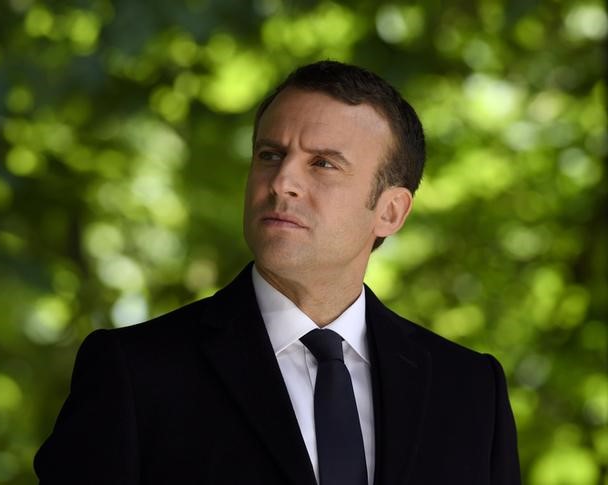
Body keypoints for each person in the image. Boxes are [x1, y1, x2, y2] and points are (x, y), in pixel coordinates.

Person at [35, 60, 521, 484]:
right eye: (270, 155)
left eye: (323, 164)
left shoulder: (470, 391)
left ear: (391, 212)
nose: (282, 181)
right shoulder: (136, 373)